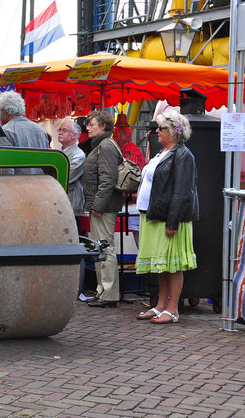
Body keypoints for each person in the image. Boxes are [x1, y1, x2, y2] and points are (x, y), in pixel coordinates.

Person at [134, 109, 199, 324]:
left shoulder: (183, 155)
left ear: (174, 131)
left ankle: (173, 310)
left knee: (173, 264)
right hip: (154, 216)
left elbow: (183, 191)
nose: (157, 131)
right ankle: (160, 305)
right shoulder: (161, 153)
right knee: (161, 264)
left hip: (169, 219)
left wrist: (172, 220)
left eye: (161, 128)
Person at [83, 110, 122, 308]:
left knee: (105, 247)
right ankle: (103, 291)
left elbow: (108, 179)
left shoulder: (105, 146)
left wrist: (98, 205)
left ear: (104, 126)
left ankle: (108, 293)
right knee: (100, 247)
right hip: (100, 205)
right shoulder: (102, 145)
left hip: (103, 207)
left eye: (92, 124)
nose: (87, 127)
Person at [0, 90, 50, 174]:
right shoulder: (39, 130)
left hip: (19, 184)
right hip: (41, 182)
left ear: (5, 111)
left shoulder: (6, 130)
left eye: (0, 111)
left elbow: (7, 167)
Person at [113, 114, 146, 245]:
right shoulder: (125, 149)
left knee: (139, 237)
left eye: (116, 135)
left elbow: (129, 178)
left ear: (123, 135)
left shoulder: (130, 151)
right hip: (131, 200)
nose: (114, 138)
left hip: (133, 201)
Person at [57, 118, 86, 223]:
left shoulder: (78, 155)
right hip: (59, 201)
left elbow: (66, 176)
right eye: (59, 130)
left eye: (64, 130)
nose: (60, 133)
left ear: (74, 135)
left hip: (71, 202)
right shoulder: (59, 152)